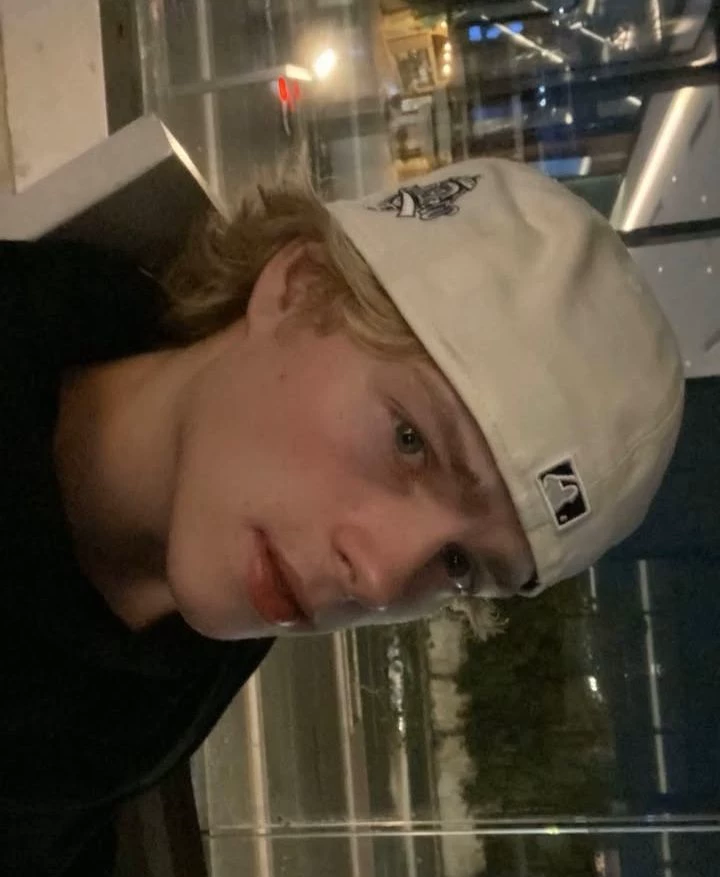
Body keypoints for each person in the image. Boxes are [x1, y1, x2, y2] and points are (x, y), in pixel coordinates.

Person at [1, 157, 684, 874]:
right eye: (410, 440)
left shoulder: (180, 669)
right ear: (300, 287)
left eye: (458, 564)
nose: (381, 579)